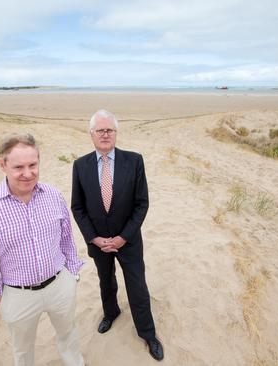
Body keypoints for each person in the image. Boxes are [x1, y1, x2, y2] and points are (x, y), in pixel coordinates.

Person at [0, 134, 85, 366]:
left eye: (32, 165)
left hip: (59, 285)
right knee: (22, 350)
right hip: (17, 294)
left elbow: (66, 238)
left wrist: (72, 274)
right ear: (2, 165)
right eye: (18, 167)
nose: (27, 173)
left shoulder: (53, 196)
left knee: (68, 334)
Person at [70, 109, 164, 361]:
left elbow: (141, 204)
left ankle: (148, 333)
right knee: (105, 281)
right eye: (100, 130)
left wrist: (123, 237)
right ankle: (110, 313)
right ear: (91, 134)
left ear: (116, 133)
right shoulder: (80, 166)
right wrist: (93, 238)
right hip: (99, 243)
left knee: (138, 287)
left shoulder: (134, 161)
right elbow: (77, 207)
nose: (105, 134)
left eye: (109, 130)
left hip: (129, 241)